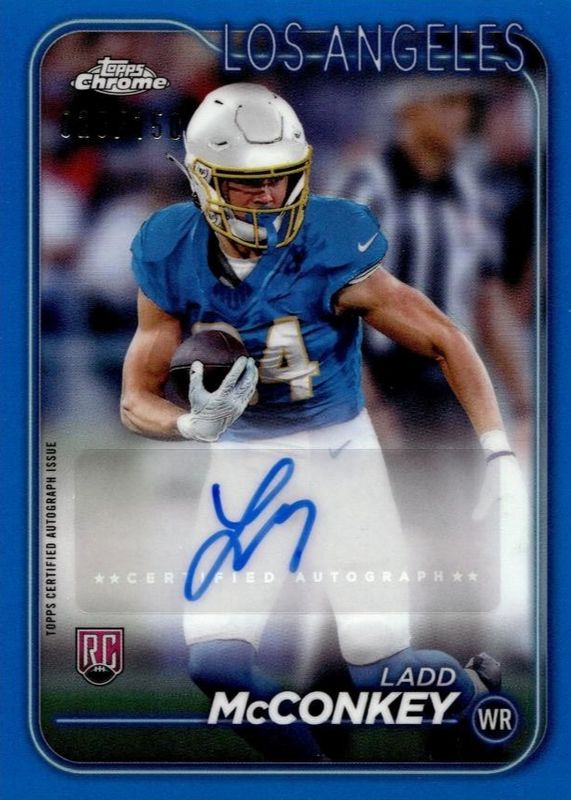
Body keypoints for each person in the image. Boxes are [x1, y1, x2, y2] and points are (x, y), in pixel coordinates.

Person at [121, 83, 521, 761]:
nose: (268, 196)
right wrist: (191, 426)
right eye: (247, 182)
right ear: (204, 180)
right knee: (216, 669)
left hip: (339, 455)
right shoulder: (169, 248)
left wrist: (496, 448)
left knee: (378, 670)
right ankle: (319, 779)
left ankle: (469, 701)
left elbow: (444, 338)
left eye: (279, 178)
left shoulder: (329, 239)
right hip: (245, 460)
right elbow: (136, 396)